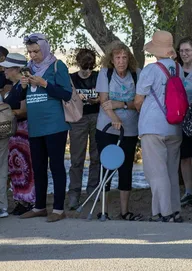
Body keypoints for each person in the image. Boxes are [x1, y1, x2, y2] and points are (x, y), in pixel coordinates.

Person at [19, 33, 72, 222]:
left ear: (45, 48)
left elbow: (66, 94)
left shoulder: (58, 66)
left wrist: (44, 83)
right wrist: (21, 86)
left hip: (55, 125)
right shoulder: (28, 69)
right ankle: (39, 206)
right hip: (35, 126)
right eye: (30, 52)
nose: (33, 55)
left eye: (36, 51)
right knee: (38, 167)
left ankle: (58, 209)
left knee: (56, 166)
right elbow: (14, 99)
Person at [134, 31, 184, 222]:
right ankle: (173, 209)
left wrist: (143, 112)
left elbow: (138, 99)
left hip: (153, 126)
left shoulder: (151, 69)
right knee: (171, 170)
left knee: (156, 171)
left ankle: (165, 213)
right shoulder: (178, 68)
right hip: (174, 125)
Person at [96, 41, 142, 221]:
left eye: (124, 57)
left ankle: (125, 212)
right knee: (106, 168)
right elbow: (104, 101)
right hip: (106, 128)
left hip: (130, 130)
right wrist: (114, 117)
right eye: (118, 58)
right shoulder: (105, 74)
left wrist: (121, 104)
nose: (121, 61)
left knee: (126, 168)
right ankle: (103, 210)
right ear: (112, 60)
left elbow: (138, 103)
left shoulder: (136, 74)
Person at [1, 53, 35, 216]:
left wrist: (6, 112)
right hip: (14, 131)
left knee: (24, 166)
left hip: (23, 130)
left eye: (7, 68)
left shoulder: (23, 86)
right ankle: (20, 200)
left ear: (16, 69)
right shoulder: (14, 86)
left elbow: (24, 110)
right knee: (16, 166)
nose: (4, 70)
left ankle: (28, 200)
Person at [67, 48, 100, 210]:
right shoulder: (71, 78)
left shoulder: (98, 76)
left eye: (89, 67)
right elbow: (66, 97)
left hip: (96, 117)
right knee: (76, 158)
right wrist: (76, 97)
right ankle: (74, 194)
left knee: (96, 156)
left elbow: (104, 96)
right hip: (77, 119)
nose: (87, 71)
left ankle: (93, 191)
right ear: (78, 63)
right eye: (84, 67)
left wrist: (97, 99)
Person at [176, 37, 192, 207]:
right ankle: (189, 191)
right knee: (184, 157)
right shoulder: (174, 70)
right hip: (179, 119)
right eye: (182, 51)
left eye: (187, 50)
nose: (184, 54)